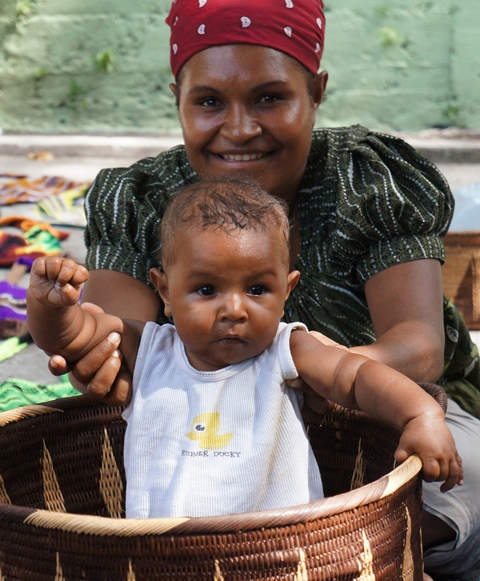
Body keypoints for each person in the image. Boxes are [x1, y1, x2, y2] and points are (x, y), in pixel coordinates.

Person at [44, 0, 480, 577]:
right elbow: (113, 344)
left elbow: (418, 347)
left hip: (381, 415)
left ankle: (344, 547)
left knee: (460, 473)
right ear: (177, 97)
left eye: (270, 98)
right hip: (205, 433)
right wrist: (88, 349)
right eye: (208, 102)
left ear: (316, 92)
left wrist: (315, 373)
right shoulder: (143, 200)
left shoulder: (367, 180)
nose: (240, 129)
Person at [27, 178, 462, 520]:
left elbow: (358, 376)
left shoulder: (287, 350)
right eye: (206, 289)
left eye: (257, 289)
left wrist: (420, 415)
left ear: (287, 290)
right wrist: (51, 306)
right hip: (164, 555)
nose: (234, 310)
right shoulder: (150, 348)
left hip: (281, 553)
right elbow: (73, 338)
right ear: (165, 291)